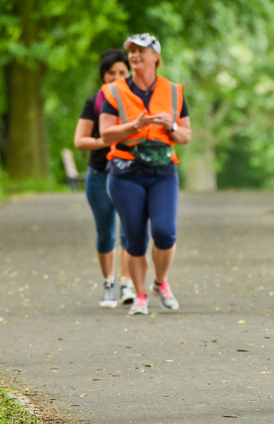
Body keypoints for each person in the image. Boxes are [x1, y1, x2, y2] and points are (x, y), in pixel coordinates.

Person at [99, 33, 191, 316]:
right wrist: (135, 125)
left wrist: (171, 127)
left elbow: (186, 135)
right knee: (135, 237)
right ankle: (140, 295)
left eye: (141, 50)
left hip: (163, 172)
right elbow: (105, 133)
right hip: (126, 174)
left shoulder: (174, 91)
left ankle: (160, 282)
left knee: (165, 232)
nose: (135, 55)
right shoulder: (114, 91)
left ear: (155, 57)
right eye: (132, 51)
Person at [73, 49, 135, 308]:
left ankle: (127, 284)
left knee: (131, 233)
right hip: (99, 174)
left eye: (122, 72)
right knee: (105, 233)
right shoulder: (94, 102)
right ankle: (109, 283)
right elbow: (80, 141)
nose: (117, 77)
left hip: (130, 174)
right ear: (103, 76)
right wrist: (105, 140)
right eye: (111, 73)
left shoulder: (138, 101)